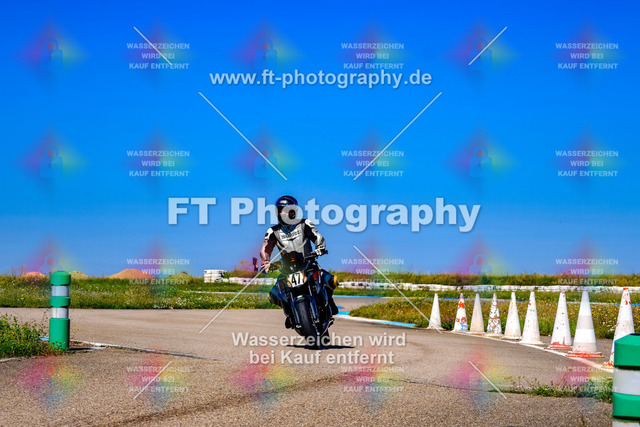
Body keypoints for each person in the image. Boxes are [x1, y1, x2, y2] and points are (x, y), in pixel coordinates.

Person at [260, 195, 339, 328]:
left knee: (331, 280)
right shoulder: (273, 231)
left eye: (285, 210)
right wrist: (265, 261)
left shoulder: (304, 223)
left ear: (293, 211)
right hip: (286, 268)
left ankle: (329, 303)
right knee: (273, 295)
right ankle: (290, 314)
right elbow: (265, 248)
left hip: (308, 264)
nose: (282, 213)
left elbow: (317, 236)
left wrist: (319, 248)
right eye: (279, 210)